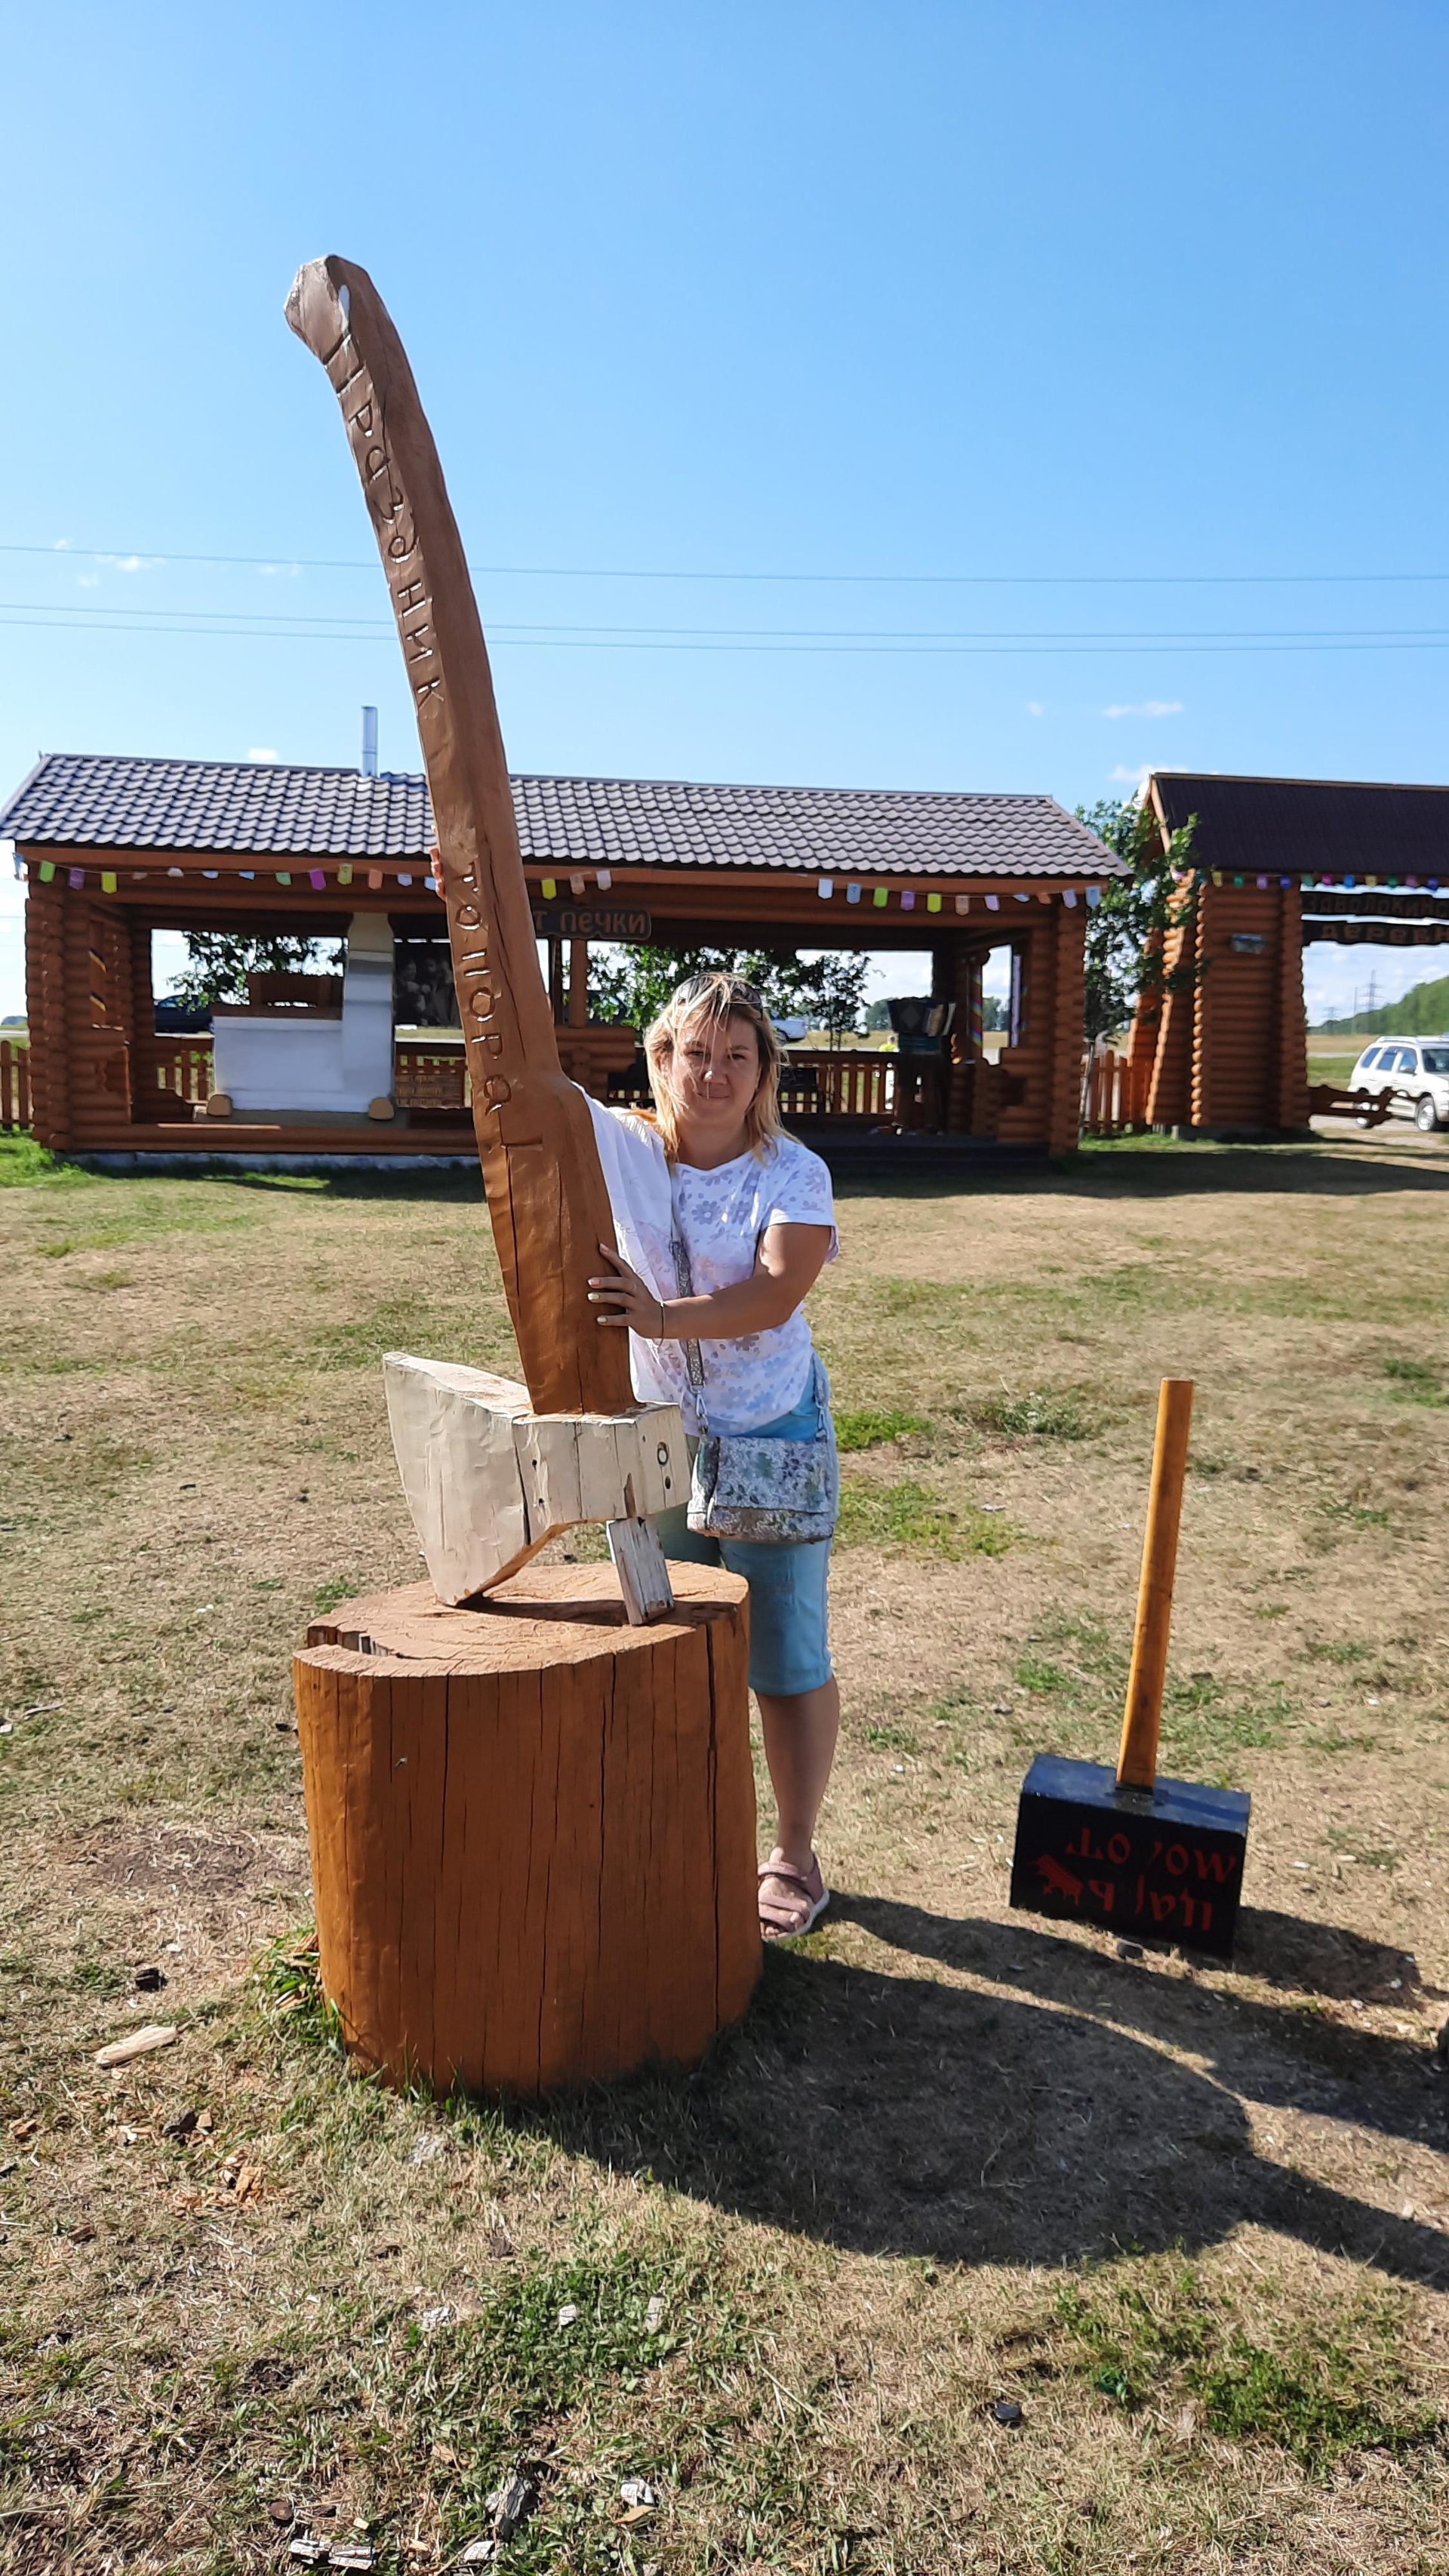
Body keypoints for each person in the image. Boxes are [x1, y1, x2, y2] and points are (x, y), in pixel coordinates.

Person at [583, 971, 841, 1940]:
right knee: (671, 1641)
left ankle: (796, 1853)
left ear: (766, 1070)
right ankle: (687, 1831)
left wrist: (658, 1314)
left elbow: (775, 1293)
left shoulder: (793, 1173)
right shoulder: (625, 1147)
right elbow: (521, 1077)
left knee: (782, 1653)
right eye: (695, 1051)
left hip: (771, 1430)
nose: (714, 1071)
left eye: (738, 1054)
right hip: (664, 1440)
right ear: (660, 1060)